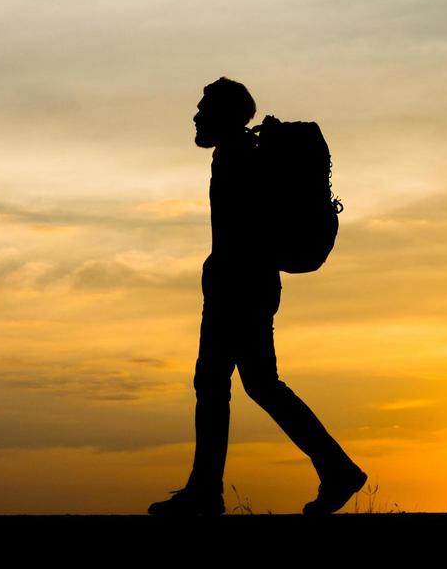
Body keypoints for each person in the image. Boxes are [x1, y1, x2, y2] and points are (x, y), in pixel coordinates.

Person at [150, 78, 367, 516]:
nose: (196, 116)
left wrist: (225, 274)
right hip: (248, 283)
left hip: (238, 285)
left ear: (226, 115)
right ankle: (334, 469)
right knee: (257, 386)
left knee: (217, 385)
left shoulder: (236, 158)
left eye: (203, 109)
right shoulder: (240, 156)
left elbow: (242, 232)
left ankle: (206, 493)